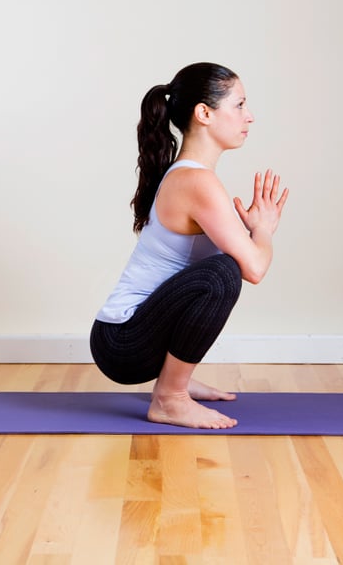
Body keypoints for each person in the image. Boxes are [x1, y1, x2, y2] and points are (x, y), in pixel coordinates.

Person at [90, 62, 288, 429]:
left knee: (220, 270)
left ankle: (174, 379)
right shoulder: (197, 182)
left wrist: (257, 233)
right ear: (204, 113)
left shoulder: (191, 176)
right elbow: (254, 269)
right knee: (224, 273)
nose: (250, 117)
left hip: (129, 339)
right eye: (240, 105)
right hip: (122, 343)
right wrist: (263, 229)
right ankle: (170, 397)